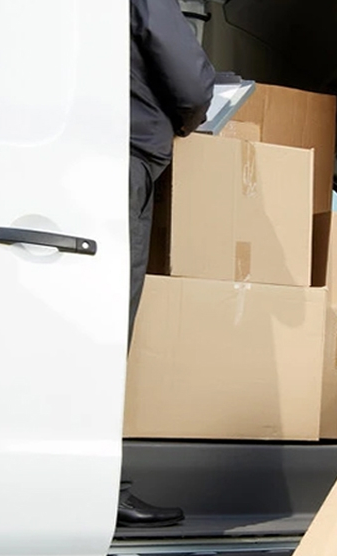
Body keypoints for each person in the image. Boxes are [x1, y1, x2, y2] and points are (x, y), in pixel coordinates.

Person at [119, 0, 216, 527]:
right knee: (107, 332)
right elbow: (191, 82)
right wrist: (194, 119)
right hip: (125, 157)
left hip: (103, 150)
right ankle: (101, 489)